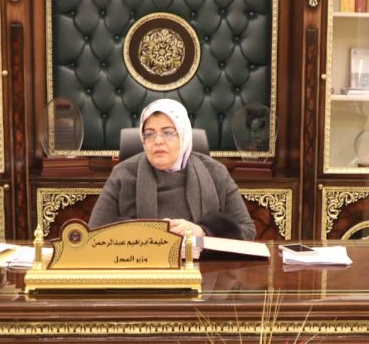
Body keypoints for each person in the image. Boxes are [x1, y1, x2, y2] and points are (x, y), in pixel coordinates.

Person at [88, 99, 256, 240]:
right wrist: (143, 235)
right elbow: (93, 235)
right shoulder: (122, 174)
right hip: (141, 266)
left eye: (168, 133)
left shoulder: (216, 172)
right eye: (149, 134)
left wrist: (203, 233)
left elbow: (248, 232)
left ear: (183, 136)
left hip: (203, 266)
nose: (158, 141)